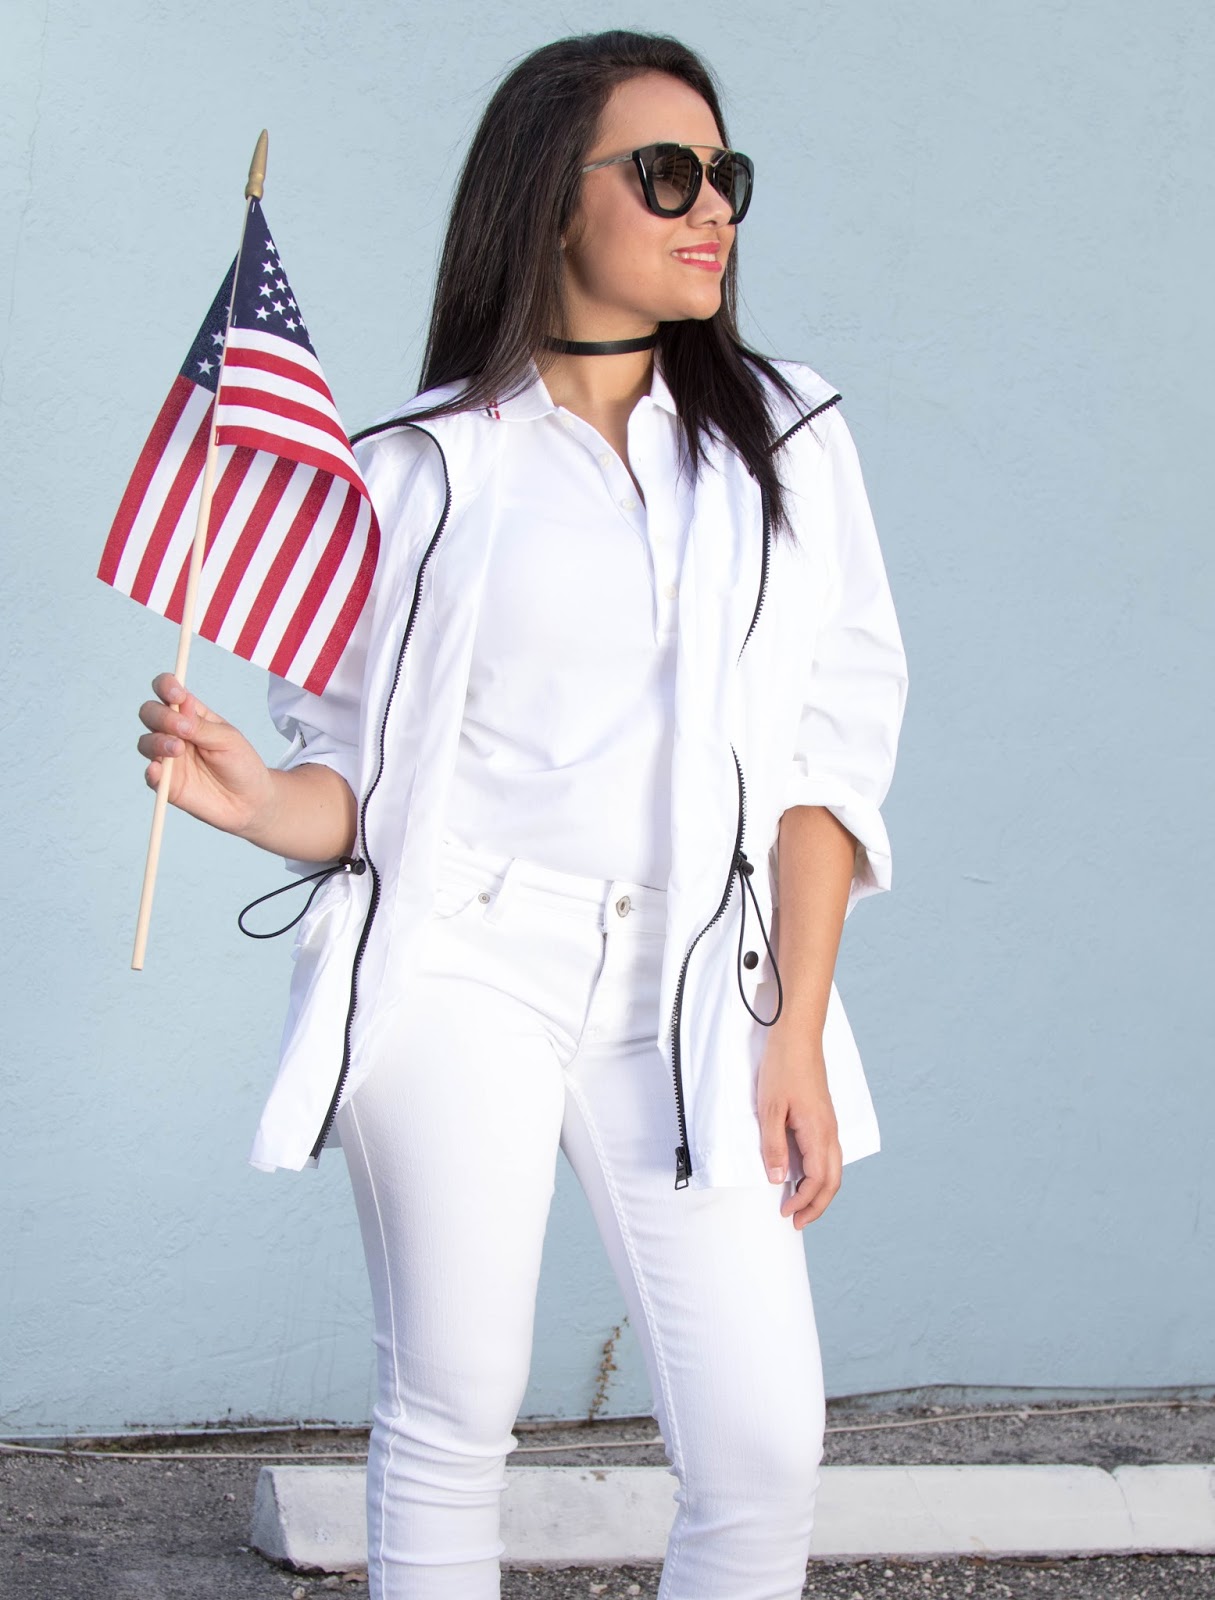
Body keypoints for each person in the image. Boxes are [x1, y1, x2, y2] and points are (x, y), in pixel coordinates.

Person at [137, 29, 908, 1600]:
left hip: (697, 982)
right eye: (668, 174)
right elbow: (365, 791)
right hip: (466, 961)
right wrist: (255, 799)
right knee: (453, 1412)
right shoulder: (416, 472)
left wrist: (797, 1030)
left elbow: (833, 759)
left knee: (764, 1449)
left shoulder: (789, 437)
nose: (713, 208)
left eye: (726, 174)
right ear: (553, 199)